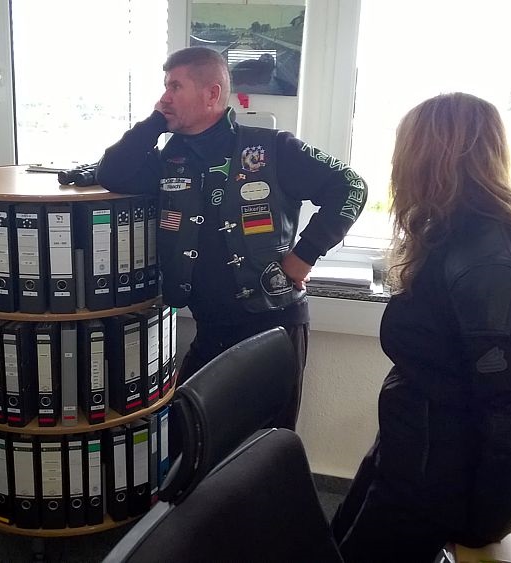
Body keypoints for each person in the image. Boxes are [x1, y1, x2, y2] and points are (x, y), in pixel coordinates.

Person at [328, 93, 511, 562]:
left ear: (426, 159)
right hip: (412, 451)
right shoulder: (454, 234)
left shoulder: (490, 265)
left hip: (437, 483)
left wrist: (482, 524)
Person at [96, 46, 367, 430]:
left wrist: (304, 255)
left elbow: (350, 185)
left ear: (212, 94)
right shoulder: (171, 158)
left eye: (175, 86)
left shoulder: (272, 147)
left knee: (264, 443)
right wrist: (156, 121)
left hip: (273, 323)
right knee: (191, 435)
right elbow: (112, 172)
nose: (165, 97)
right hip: (211, 327)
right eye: (165, 86)